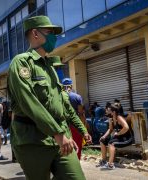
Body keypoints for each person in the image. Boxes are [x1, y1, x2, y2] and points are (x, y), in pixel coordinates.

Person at [7, 15, 91, 180]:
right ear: (35, 34)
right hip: (33, 141)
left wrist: (66, 134)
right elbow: (28, 102)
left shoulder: (50, 68)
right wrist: (58, 134)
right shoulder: (22, 63)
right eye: (50, 32)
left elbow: (61, 104)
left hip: (59, 138)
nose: (54, 37)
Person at [96, 104, 133, 170]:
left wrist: (118, 133)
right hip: (119, 138)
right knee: (102, 141)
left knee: (111, 143)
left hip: (127, 139)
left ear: (114, 112)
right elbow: (110, 129)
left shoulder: (119, 117)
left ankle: (110, 165)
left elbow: (126, 127)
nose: (107, 112)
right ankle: (104, 161)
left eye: (109, 111)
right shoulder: (111, 118)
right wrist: (104, 136)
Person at [62, 78, 88, 160]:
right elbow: (81, 113)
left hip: (64, 125)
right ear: (71, 85)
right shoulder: (77, 97)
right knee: (77, 144)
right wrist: (83, 125)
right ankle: (77, 162)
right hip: (75, 126)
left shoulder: (59, 96)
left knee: (66, 145)